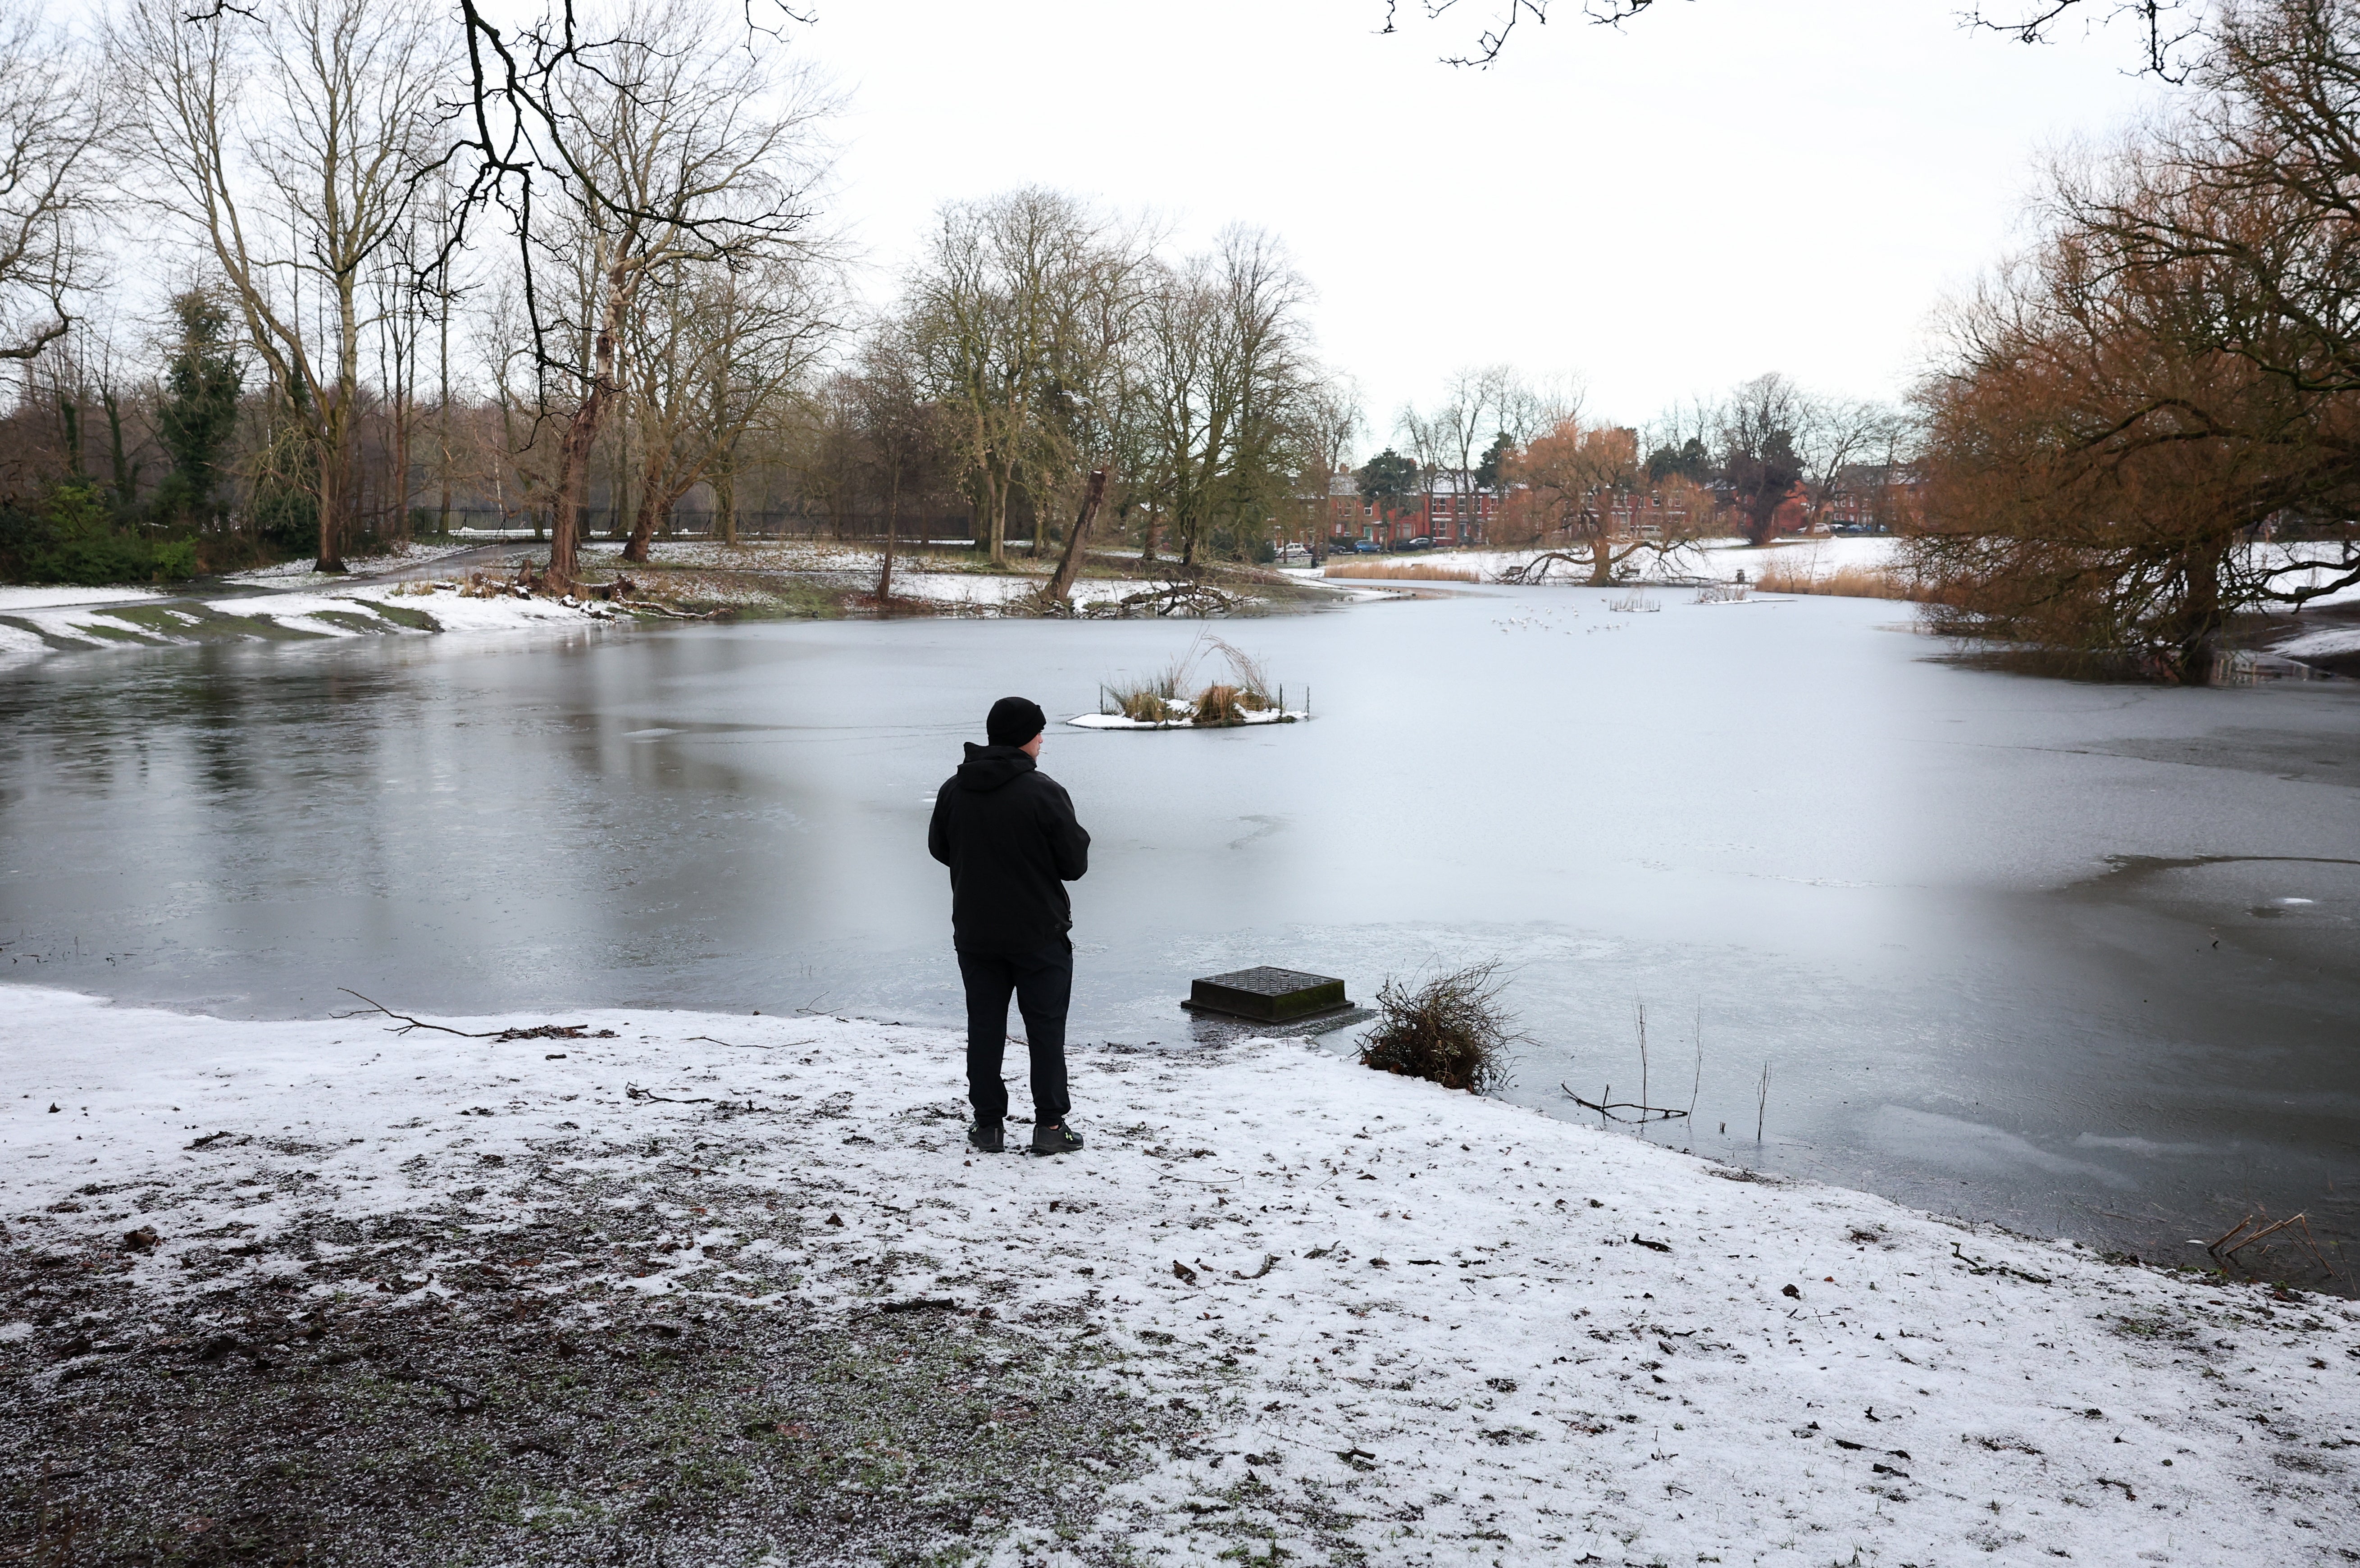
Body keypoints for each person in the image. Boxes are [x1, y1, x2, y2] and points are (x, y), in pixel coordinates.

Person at [927, 696, 1090, 1156]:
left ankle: (987, 1126)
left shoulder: (954, 790)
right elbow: (1074, 864)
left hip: (976, 933)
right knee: (1045, 1029)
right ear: (1024, 738)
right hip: (1039, 934)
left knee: (984, 1026)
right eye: (1039, 732)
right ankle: (1051, 1128)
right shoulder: (1044, 792)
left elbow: (940, 848)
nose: (1043, 740)